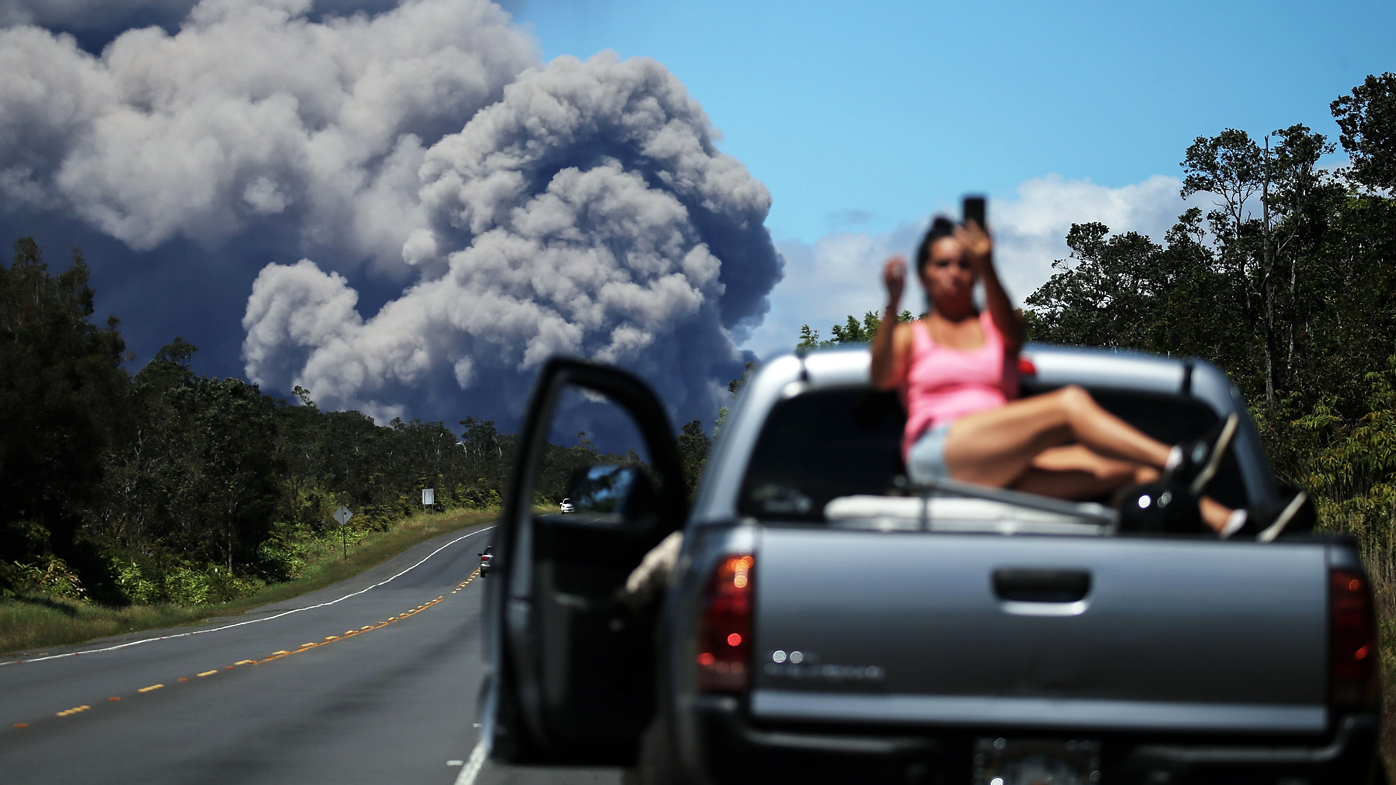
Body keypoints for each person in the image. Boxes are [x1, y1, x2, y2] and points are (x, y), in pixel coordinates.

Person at [871, 216, 1300, 538]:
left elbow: (1014, 335)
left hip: (1000, 465)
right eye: (943, 264)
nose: (954, 273)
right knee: (1069, 404)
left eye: (964, 265)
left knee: (1135, 472)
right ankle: (1180, 460)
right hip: (938, 454)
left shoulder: (993, 330)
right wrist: (892, 305)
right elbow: (881, 376)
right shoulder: (914, 335)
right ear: (925, 274)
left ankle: (1237, 527)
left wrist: (988, 263)